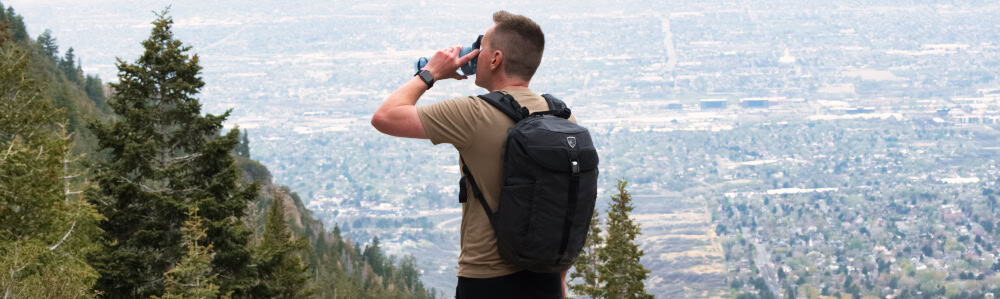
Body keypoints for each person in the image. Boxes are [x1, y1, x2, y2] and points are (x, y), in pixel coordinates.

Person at [371, 10, 575, 299]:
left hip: (486, 280)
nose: (474, 53)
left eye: (482, 46)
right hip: (547, 279)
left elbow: (385, 117)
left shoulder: (473, 114)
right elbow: (566, 203)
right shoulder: (563, 118)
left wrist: (430, 73)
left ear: (495, 59)